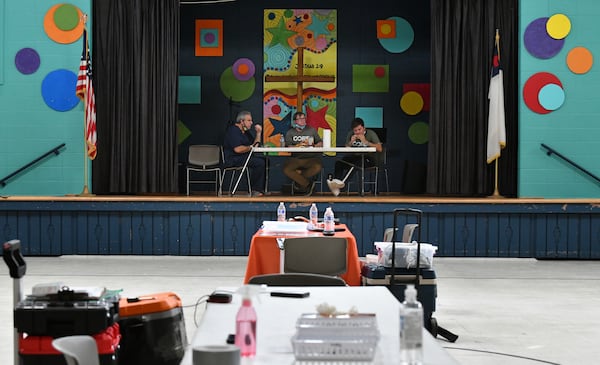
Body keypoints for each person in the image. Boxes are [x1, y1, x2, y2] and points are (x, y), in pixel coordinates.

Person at [222, 111, 266, 196]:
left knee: (264, 161)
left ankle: (260, 189)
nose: (251, 123)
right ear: (242, 121)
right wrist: (250, 147)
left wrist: (258, 133)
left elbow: (255, 144)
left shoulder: (245, 132)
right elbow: (238, 149)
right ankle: (255, 189)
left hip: (244, 157)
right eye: (249, 120)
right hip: (233, 159)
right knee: (259, 163)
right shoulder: (233, 131)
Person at [282, 111, 323, 195]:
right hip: (296, 158)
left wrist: (315, 146)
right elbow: (288, 147)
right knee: (286, 169)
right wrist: (298, 146)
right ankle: (307, 184)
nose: (303, 121)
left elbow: (320, 142)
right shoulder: (290, 132)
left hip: (311, 158)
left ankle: (299, 182)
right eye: (300, 119)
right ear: (295, 121)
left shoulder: (311, 130)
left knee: (317, 167)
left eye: (304, 118)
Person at [333, 117, 383, 182]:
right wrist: (351, 142)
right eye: (355, 130)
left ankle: (342, 184)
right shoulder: (350, 134)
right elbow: (346, 147)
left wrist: (366, 142)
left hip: (368, 158)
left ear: (364, 128)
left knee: (356, 164)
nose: (358, 132)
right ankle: (336, 183)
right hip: (355, 157)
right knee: (339, 163)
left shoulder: (370, 133)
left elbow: (380, 148)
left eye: (359, 129)